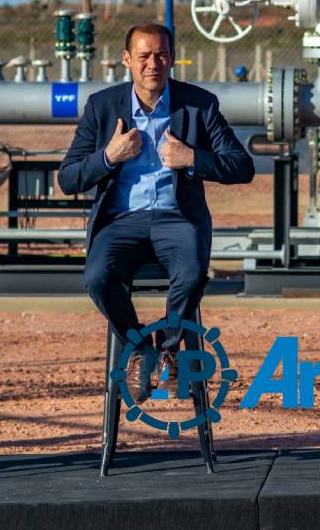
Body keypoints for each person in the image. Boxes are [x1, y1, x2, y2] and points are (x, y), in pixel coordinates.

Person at [58, 22, 254, 402]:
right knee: (98, 277)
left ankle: (167, 349)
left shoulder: (198, 104)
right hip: (121, 220)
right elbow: (68, 178)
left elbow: (241, 165)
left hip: (176, 217)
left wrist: (191, 158)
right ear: (127, 60)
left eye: (162, 55)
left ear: (172, 59)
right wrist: (109, 157)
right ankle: (138, 349)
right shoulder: (102, 107)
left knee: (193, 273)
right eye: (144, 56)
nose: (153, 64)